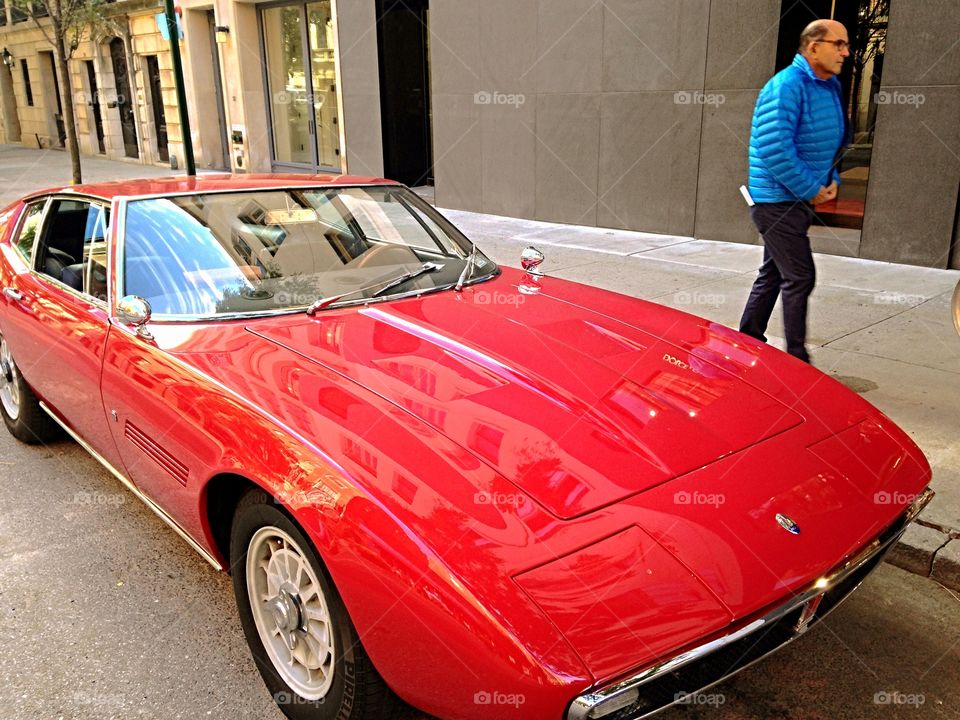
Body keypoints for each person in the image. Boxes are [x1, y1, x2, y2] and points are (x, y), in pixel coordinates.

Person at [739, 19, 849, 364]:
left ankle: (747, 338)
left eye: (846, 45)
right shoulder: (785, 86)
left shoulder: (829, 85)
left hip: (797, 198)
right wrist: (811, 188)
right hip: (775, 200)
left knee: (774, 272)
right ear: (813, 46)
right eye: (838, 44)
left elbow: (838, 139)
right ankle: (798, 360)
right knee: (800, 276)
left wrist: (831, 179)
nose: (846, 52)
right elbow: (775, 149)